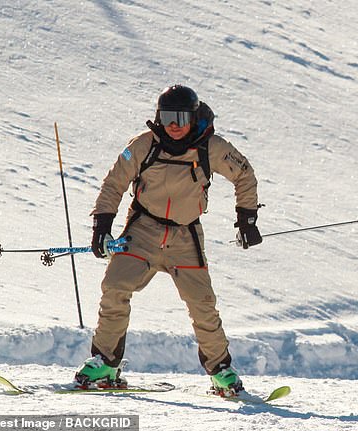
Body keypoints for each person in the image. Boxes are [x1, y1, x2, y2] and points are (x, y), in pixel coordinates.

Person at [74, 84, 262, 395]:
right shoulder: (144, 145)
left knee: (201, 303)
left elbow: (244, 174)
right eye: (166, 117)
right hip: (143, 230)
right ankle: (106, 362)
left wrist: (247, 219)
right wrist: (102, 226)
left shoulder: (209, 147)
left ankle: (220, 369)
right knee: (115, 287)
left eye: (180, 117)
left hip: (184, 235)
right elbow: (114, 183)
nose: (174, 125)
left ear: (193, 117)